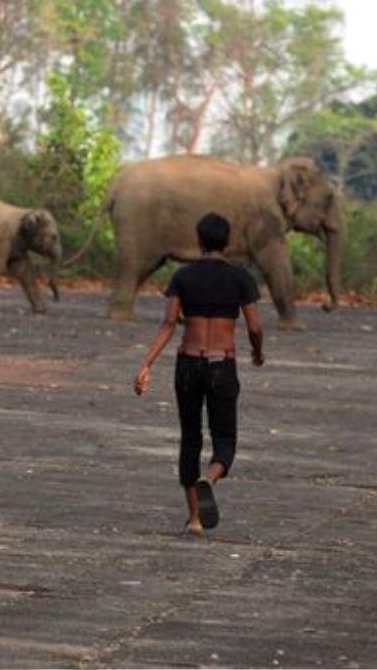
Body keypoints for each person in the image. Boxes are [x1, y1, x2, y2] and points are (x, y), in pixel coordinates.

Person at [134, 212, 264, 536]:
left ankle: (194, 519)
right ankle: (212, 477)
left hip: (188, 363)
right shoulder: (240, 277)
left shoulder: (183, 276)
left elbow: (168, 324)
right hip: (222, 362)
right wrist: (258, 352)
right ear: (227, 241)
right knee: (225, 439)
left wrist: (147, 363)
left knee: (190, 439)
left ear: (199, 240)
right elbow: (255, 326)